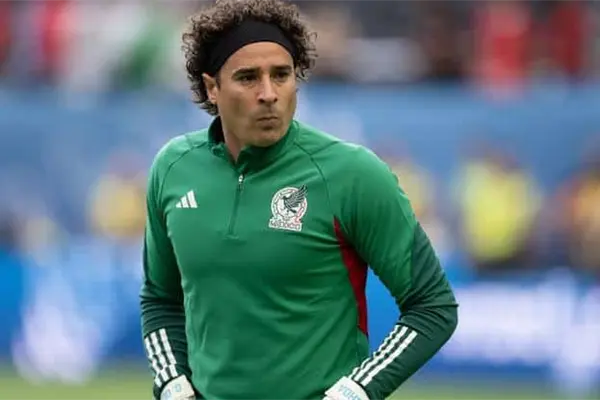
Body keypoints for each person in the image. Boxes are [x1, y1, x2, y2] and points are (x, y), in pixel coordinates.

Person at [139, 1, 458, 399]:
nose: (269, 94)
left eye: (282, 75)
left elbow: (432, 305)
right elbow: (160, 299)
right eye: (248, 78)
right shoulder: (173, 168)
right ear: (211, 88)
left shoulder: (352, 174)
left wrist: (357, 390)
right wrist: (172, 383)